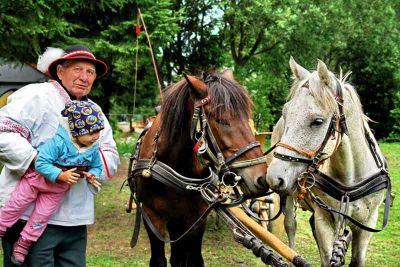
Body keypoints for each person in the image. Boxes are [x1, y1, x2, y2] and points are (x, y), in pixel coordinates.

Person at [0, 45, 119, 266]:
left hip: (75, 219)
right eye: (77, 69)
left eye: (90, 72)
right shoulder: (36, 95)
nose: (84, 77)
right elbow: (3, 131)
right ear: (60, 71)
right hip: (28, 215)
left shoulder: (95, 111)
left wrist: (89, 169)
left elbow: (110, 153)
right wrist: (41, 163)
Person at [0, 100, 105, 265]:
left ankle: (23, 244)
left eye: (98, 131)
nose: (96, 136)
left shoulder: (92, 149)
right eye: (91, 132)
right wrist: (60, 175)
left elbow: (97, 166)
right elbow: (41, 162)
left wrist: (92, 174)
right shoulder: (58, 142)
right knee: (15, 205)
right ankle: (1, 227)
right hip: (35, 180)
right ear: (76, 131)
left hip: (55, 190)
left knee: (41, 217)